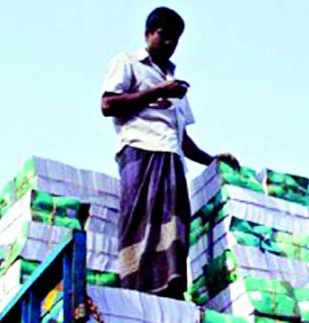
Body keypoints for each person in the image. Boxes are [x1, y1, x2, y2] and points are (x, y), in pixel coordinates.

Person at [101, 7, 238, 299]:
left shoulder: (176, 83)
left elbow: (182, 137)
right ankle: (135, 287)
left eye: (175, 39)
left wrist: (212, 160)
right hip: (139, 151)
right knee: (141, 222)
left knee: (175, 222)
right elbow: (108, 105)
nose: (168, 43)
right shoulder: (128, 63)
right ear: (148, 34)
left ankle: (170, 288)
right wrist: (157, 92)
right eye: (163, 35)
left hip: (171, 157)